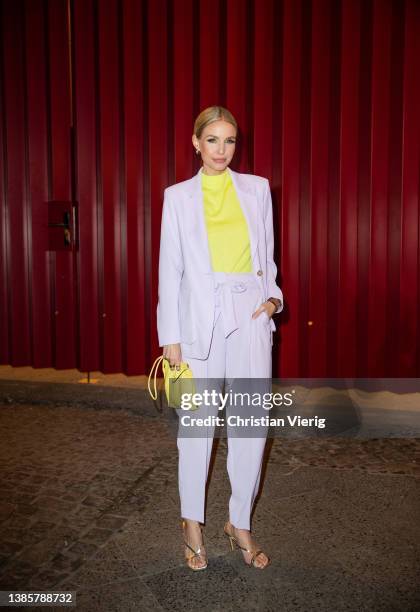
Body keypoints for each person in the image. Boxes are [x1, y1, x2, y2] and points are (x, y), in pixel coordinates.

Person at [157, 106, 284, 570]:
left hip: (249, 314)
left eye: (229, 141)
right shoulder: (177, 196)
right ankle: (192, 522)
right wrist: (169, 336)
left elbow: (266, 255)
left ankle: (239, 523)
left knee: (250, 424)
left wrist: (273, 300)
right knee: (196, 425)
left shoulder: (257, 189)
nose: (221, 150)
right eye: (212, 140)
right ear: (196, 142)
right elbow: (170, 269)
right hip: (196, 323)